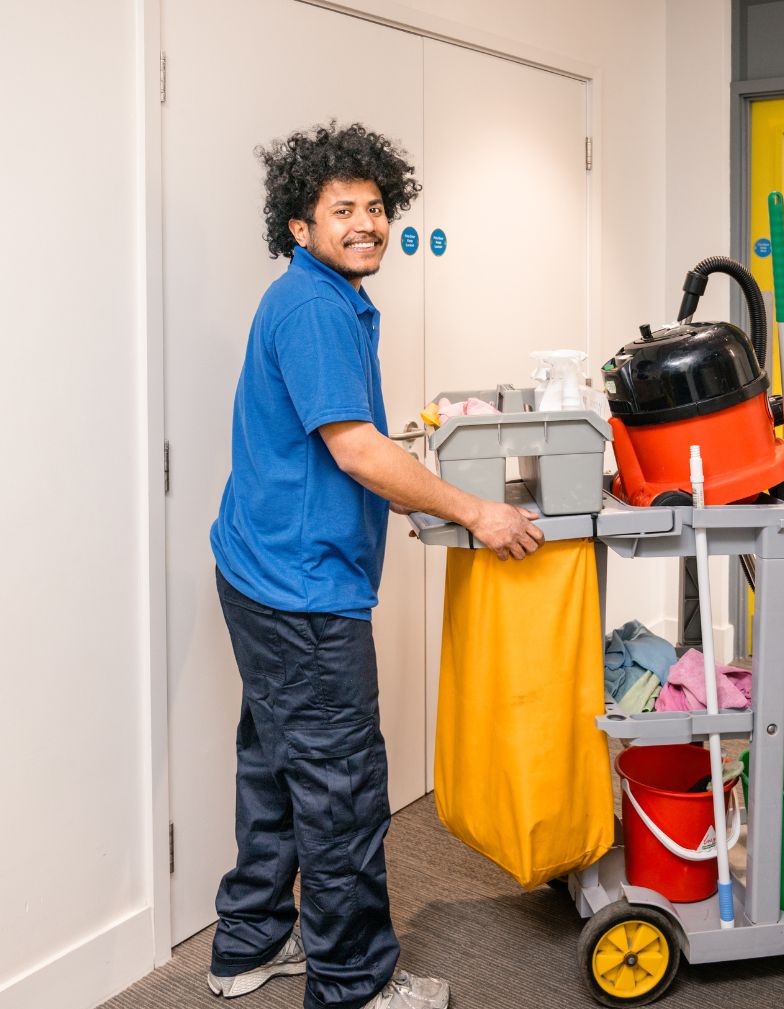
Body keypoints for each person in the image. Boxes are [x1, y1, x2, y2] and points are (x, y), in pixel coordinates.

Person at [207, 122, 544, 1009]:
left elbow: (344, 441)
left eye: (375, 206)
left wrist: (409, 468)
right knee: (342, 785)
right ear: (299, 225)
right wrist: (475, 508)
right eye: (341, 209)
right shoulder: (318, 308)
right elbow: (354, 450)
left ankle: (246, 942)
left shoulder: (315, 295)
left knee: (277, 760)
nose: (366, 223)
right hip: (302, 591)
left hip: (258, 569)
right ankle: (354, 987)